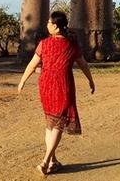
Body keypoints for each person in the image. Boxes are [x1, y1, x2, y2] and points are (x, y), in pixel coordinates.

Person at [17, 11, 95, 175]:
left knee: (50, 123)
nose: (47, 25)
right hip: (63, 86)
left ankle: (53, 161)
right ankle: (45, 161)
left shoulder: (44, 44)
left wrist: (22, 81)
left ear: (56, 27)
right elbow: (83, 64)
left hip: (45, 86)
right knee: (58, 123)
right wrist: (90, 80)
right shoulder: (71, 45)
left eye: (49, 23)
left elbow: (32, 65)